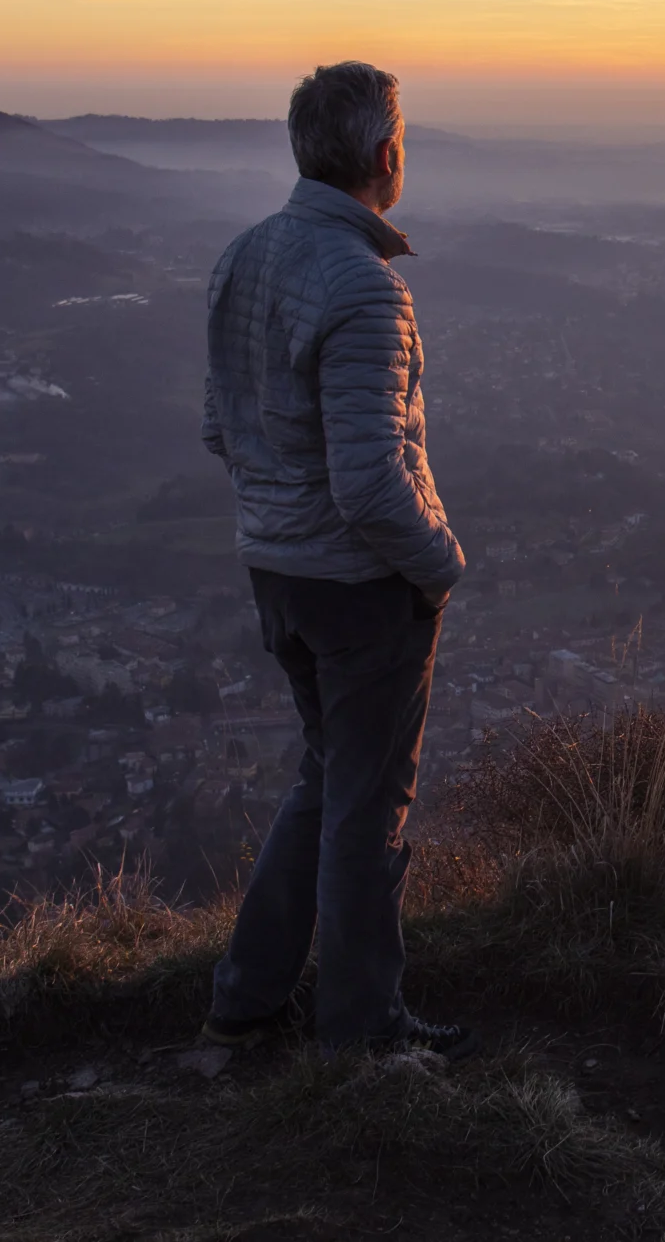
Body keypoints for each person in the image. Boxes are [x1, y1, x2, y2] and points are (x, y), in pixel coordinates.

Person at [196, 60, 472, 1057]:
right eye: (403, 135)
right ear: (383, 152)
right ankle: (365, 1032)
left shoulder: (242, 258)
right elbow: (368, 483)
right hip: (363, 589)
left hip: (278, 573)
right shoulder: (365, 289)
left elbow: (222, 428)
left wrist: (278, 515)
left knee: (326, 783)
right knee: (366, 813)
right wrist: (439, 565)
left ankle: (247, 998)